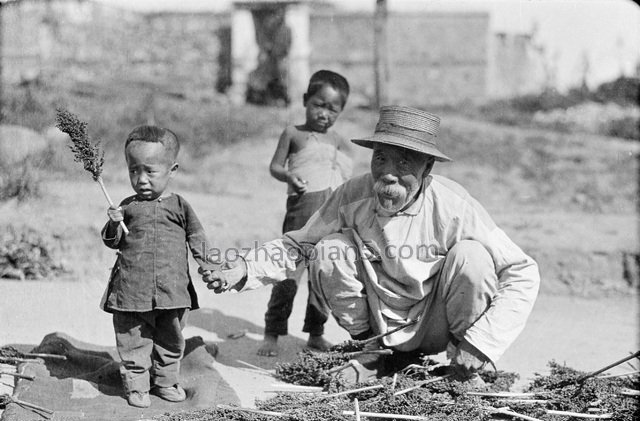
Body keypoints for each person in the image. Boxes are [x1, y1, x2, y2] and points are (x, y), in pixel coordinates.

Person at [202, 106, 540, 383]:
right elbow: (300, 244)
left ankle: (463, 367)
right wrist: (244, 267)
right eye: (381, 159)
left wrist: (480, 344)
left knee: (473, 257)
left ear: (428, 167)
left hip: (438, 323)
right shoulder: (352, 194)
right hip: (378, 322)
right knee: (329, 249)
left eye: (405, 162)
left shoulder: (454, 206)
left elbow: (522, 271)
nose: (388, 174)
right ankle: (372, 354)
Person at [101, 125, 212, 407]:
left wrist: (209, 264)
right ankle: (136, 385)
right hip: (132, 290)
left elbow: (196, 236)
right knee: (133, 339)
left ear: (172, 170)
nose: (141, 180)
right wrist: (114, 223)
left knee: (170, 339)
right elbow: (112, 241)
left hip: (172, 290)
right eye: (133, 171)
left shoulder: (179, 206)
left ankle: (165, 380)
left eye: (150, 171)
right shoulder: (126, 207)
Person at [258, 69, 353, 357]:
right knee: (288, 276)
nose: (323, 113)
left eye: (332, 109)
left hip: (330, 220)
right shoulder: (293, 134)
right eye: (318, 104)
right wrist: (288, 176)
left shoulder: (339, 142)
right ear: (305, 100)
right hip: (300, 216)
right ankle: (271, 333)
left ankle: (316, 333)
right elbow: (275, 166)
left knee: (322, 278)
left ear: (340, 112)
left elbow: (347, 179)